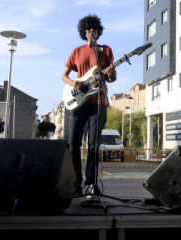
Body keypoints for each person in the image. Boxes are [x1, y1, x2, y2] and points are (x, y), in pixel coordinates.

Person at [62, 14, 117, 196]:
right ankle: (76, 181)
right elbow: (64, 75)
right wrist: (72, 83)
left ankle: (91, 184)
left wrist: (111, 72)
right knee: (73, 143)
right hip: (77, 103)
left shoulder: (105, 50)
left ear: (98, 31)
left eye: (93, 28)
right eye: (87, 29)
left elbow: (112, 79)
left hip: (98, 103)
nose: (90, 31)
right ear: (84, 32)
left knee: (93, 145)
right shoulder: (77, 51)